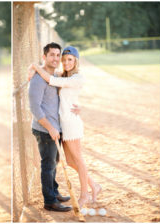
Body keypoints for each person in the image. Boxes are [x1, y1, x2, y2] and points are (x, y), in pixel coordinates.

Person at [28, 46, 102, 208]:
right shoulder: (64, 75)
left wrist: (34, 67)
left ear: (76, 61)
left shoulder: (76, 78)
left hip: (72, 125)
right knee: (70, 162)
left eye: (70, 59)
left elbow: (51, 80)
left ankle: (85, 195)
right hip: (64, 125)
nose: (66, 62)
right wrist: (34, 69)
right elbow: (54, 81)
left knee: (79, 160)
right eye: (64, 59)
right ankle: (94, 185)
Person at [28, 42, 80, 212]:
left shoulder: (54, 75)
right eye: (52, 55)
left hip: (54, 129)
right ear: (44, 57)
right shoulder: (37, 79)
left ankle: (54, 191)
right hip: (45, 129)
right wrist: (50, 127)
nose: (56, 58)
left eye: (58, 55)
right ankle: (50, 201)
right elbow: (35, 108)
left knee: (53, 163)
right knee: (48, 165)